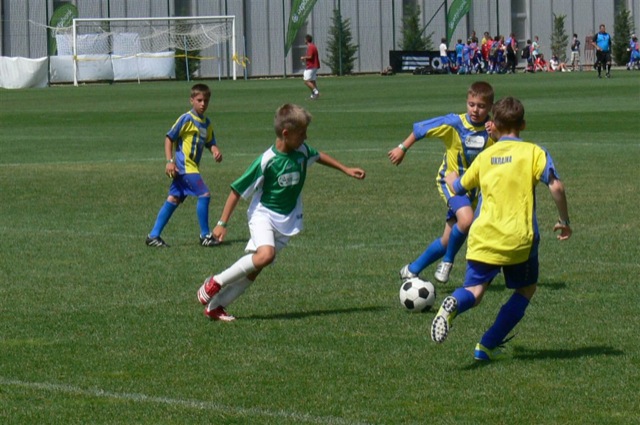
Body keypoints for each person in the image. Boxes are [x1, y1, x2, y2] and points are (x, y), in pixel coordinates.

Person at [430, 96, 572, 361]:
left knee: (475, 292)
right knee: (526, 289)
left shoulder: (485, 157)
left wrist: (451, 179)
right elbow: (556, 187)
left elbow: (459, 188)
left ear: (493, 125)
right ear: (523, 125)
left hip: (483, 237)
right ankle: (486, 345)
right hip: (519, 240)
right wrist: (564, 221)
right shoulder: (534, 152)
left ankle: (455, 303)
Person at [196, 104, 366, 321]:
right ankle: (215, 282)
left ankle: (216, 307)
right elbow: (237, 190)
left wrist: (346, 169)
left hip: (287, 219)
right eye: (301, 133)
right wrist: (222, 223)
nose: (305, 137)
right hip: (263, 215)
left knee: (256, 267)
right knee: (266, 255)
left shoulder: (302, 151)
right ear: (286, 134)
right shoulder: (267, 160)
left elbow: (318, 155)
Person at [388, 81, 495, 285]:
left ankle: (411, 269)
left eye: (481, 106)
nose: (475, 110)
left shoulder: (493, 130)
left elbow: (510, 140)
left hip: (474, 190)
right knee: (466, 220)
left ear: (490, 107)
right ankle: (447, 262)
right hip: (451, 182)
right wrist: (402, 148)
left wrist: (497, 130)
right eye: (471, 104)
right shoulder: (454, 123)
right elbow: (421, 129)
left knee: (448, 240)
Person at [146, 83, 222, 248]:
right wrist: (169, 161)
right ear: (191, 100)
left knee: (173, 199)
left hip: (190, 168)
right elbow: (169, 138)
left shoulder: (206, 123)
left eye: (206, 101)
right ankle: (205, 235)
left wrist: (215, 150)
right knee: (204, 194)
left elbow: (210, 142)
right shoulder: (186, 119)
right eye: (199, 100)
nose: (203, 104)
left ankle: (153, 236)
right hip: (185, 167)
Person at [301, 34, 320, 99]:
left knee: (306, 81)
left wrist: (303, 57)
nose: (304, 41)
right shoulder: (312, 46)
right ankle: (314, 95)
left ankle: (316, 92)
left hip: (311, 66)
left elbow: (310, 56)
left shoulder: (311, 47)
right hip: (314, 66)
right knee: (312, 81)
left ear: (306, 40)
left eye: (304, 39)